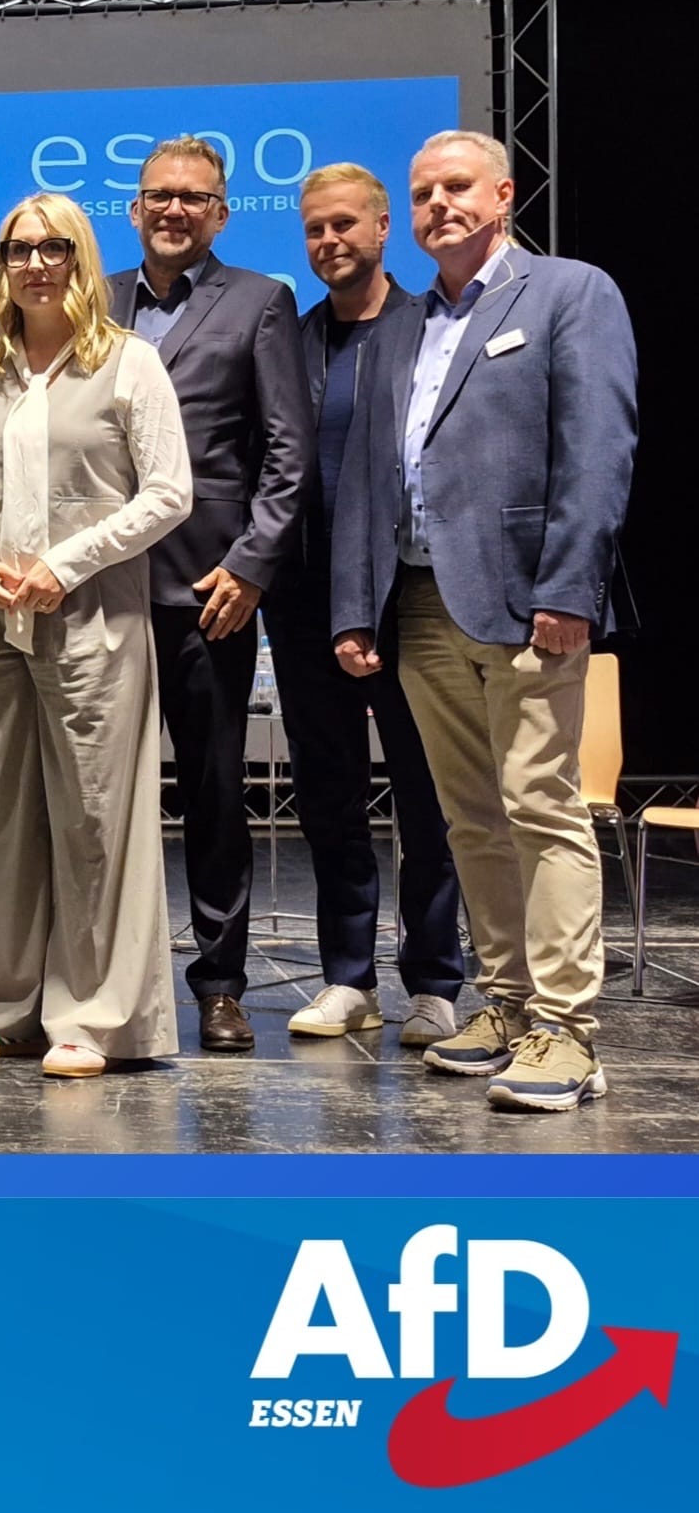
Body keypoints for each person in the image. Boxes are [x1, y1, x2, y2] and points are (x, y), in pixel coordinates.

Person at [332, 130, 637, 1112]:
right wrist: (356, 606)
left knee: (540, 805)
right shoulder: (405, 323)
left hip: (525, 601)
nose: (438, 206)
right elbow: (369, 477)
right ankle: (505, 1003)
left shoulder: (567, 293)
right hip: (418, 603)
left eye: (456, 187)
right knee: (469, 814)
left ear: (501, 195)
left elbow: (596, 451)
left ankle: (567, 1028)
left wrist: (569, 589)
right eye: (423, 193)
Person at [0, 194, 192, 1076]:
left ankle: (93, 1019)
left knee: (94, 819)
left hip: (94, 623)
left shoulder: (129, 362)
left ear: (80, 258)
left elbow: (168, 492)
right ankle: (3, 1010)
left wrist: (65, 563)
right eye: (17, 249)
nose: (34, 263)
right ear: (0, 264)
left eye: (52, 248)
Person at [106, 136, 311, 1052]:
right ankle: (107, 976)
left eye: (193, 197)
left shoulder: (260, 301)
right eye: (159, 195)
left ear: (221, 213)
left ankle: (219, 984)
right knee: (102, 795)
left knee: (214, 792)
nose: (173, 210)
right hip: (100, 586)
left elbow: (287, 449)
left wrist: (252, 564)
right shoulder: (94, 299)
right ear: (134, 209)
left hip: (208, 588)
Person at [271, 165, 464, 1044]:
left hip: (407, 597)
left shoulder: (430, 330)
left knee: (427, 795)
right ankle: (347, 977)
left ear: (383, 228)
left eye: (344, 225)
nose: (328, 242)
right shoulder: (292, 339)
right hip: (304, 600)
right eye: (315, 229)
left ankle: (434, 982)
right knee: (329, 795)